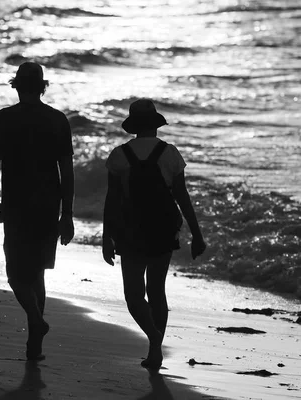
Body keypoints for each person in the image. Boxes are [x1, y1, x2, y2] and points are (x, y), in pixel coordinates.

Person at [102, 98, 207, 370]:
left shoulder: (119, 156)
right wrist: (197, 234)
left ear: (133, 126)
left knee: (134, 295)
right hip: (163, 228)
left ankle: (154, 340)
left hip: (131, 230)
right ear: (156, 125)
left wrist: (106, 237)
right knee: (157, 291)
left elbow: (112, 201)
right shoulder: (170, 153)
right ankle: (155, 348)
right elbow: (182, 198)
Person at [0, 61, 75, 361]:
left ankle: (36, 323)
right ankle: (34, 345)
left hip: (17, 205)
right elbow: (67, 172)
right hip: (48, 206)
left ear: (17, 85)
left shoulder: (4, 118)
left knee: (15, 274)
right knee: (36, 274)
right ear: (42, 86)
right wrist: (67, 214)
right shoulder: (58, 120)